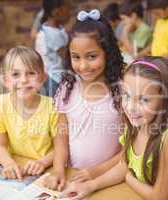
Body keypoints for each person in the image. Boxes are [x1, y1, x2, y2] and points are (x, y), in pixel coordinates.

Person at [63, 56, 168, 200]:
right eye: (126, 95)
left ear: (165, 100)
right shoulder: (135, 125)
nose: (131, 107)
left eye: (144, 99)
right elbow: (125, 165)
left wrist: (129, 179)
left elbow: (159, 197)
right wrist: (91, 185)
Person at [43, 9, 125, 192]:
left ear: (108, 53)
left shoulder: (122, 91)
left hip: (110, 178)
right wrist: (58, 169)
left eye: (92, 56)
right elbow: (61, 136)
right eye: (76, 57)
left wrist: (96, 172)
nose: (83, 66)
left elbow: (130, 147)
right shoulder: (67, 88)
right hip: (75, 176)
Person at [0, 46, 59, 180]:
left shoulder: (53, 107)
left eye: (31, 73)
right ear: (5, 81)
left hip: (48, 168)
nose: (24, 80)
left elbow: (61, 148)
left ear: (43, 78)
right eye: (15, 74)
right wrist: (8, 163)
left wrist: (42, 162)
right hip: (16, 166)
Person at [35, 0, 70, 97]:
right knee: (56, 108)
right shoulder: (52, 34)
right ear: (56, 12)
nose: (69, 14)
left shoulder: (53, 28)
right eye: (67, 10)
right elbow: (66, 57)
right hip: (54, 79)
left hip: (55, 77)